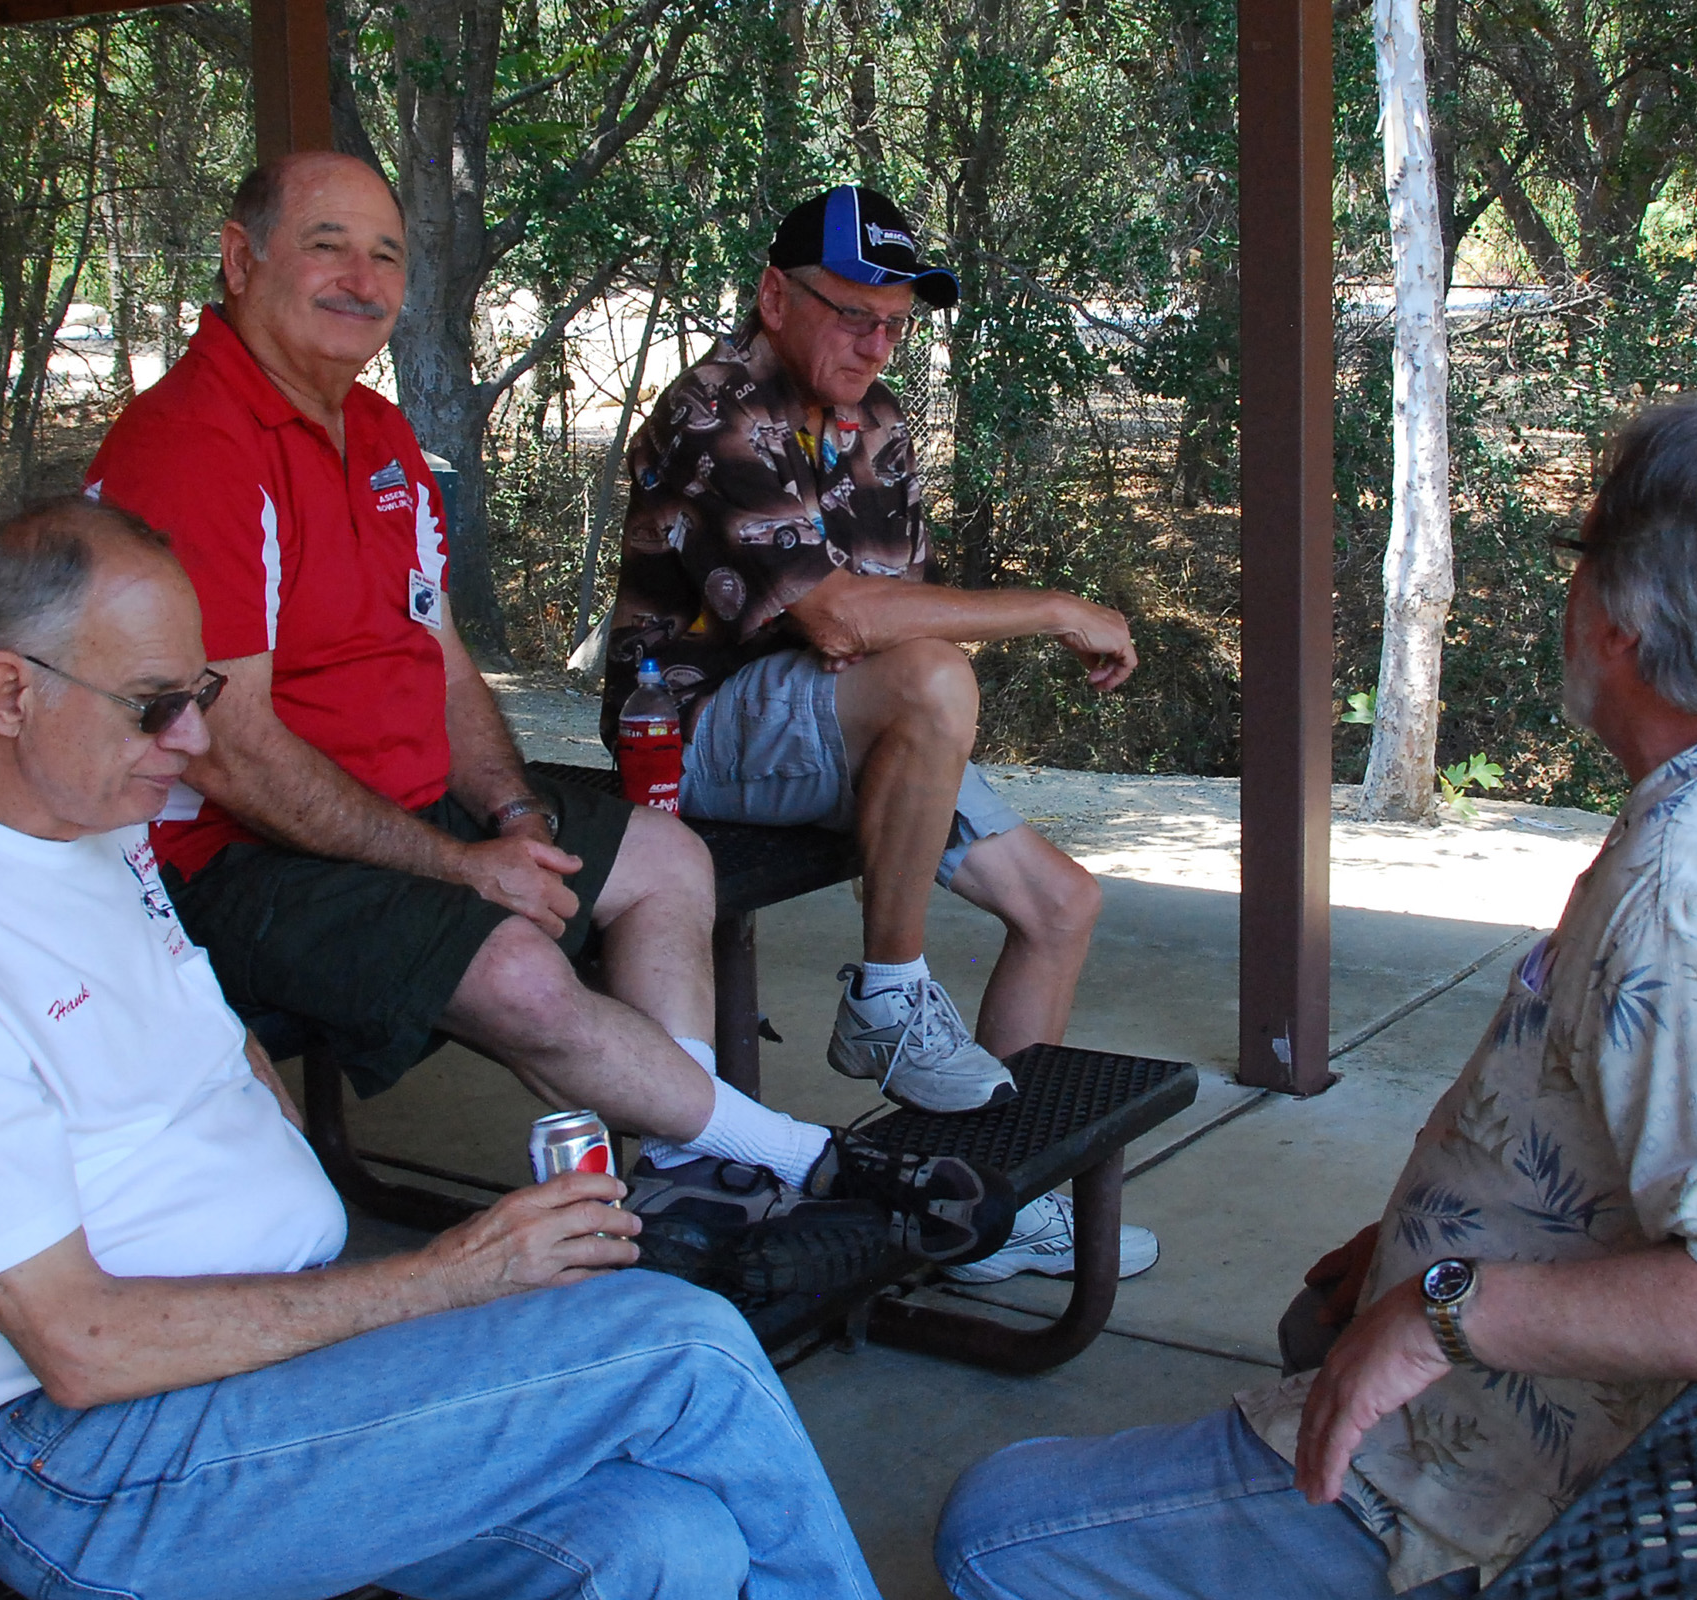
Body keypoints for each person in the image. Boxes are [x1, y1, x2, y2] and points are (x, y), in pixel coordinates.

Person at [0, 500, 883, 1600]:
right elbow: (80, 1345)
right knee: (685, 1349)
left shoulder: (98, 830)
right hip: (99, 1469)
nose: (197, 741)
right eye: (156, 706)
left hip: (271, 1373)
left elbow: (226, 1064)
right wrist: (441, 1282)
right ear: (11, 692)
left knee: (665, 1539)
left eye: (199, 694)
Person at [933, 398, 1697, 1598]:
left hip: (1510, 1485)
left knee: (993, 1529)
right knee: (1313, 1327)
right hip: (1579, 1407)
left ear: (1624, 615)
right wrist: (1416, 1246)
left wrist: (1439, 1305)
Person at [85, 152, 1015, 1277]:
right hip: (230, 856)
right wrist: (457, 865)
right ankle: (799, 1157)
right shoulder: (193, 443)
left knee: (667, 860)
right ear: (241, 262)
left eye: (386, 253)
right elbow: (229, 752)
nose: (362, 277)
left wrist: (508, 806)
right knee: (520, 962)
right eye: (327, 244)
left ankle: (685, 1173)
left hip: (401, 808)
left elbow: (439, 658)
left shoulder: (376, 440)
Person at [601, 184, 1156, 1286]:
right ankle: (889, 999)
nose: (877, 341)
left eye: (896, 320)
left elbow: (879, 627)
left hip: (832, 719)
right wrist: (1055, 608)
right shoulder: (720, 408)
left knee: (1061, 904)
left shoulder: (880, 422)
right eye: (853, 313)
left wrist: (889, 645)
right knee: (935, 681)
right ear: (773, 294)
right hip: (694, 734)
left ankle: (984, 1206)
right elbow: (846, 618)